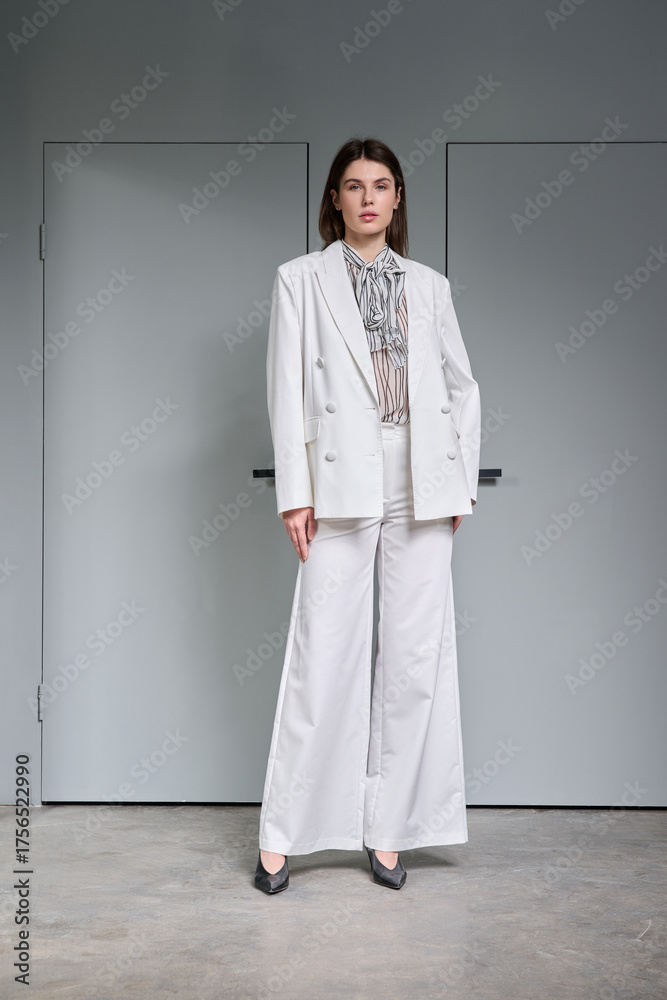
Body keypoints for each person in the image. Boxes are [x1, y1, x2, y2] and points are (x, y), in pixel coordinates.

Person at [254, 136, 481, 894]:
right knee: (323, 652)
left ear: (397, 198)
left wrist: (458, 483)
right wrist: (294, 492)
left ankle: (392, 834)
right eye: (354, 185)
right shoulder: (299, 279)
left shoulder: (429, 286)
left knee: (415, 658)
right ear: (335, 199)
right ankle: (285, 835)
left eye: (381, 185)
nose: (368, 198)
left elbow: (462, 385)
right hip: (338, 474)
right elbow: (287, 389)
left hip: (422, 474)